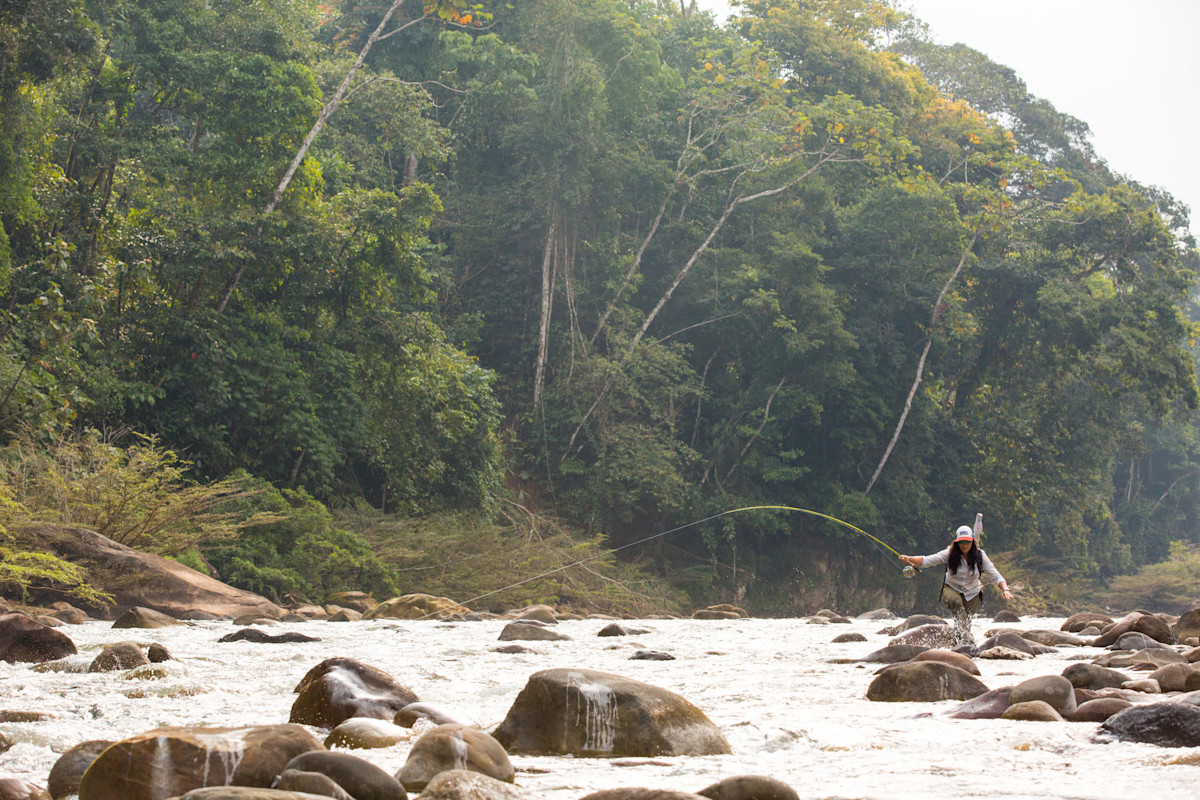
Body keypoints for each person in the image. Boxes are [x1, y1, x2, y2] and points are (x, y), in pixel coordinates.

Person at [898, 525, 1013, 632]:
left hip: (972, 593)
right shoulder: (949, 553)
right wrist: (909, 558)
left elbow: (995, 575)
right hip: (951, 589)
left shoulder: (980, 556)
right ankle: (960, 639)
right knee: (956, 602)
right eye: (961, 542)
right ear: (957, 542)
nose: (964, 545)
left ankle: (961, 642)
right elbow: (927, 560)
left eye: (967, 541)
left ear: (972, 541)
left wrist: (1005, 589)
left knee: (965, 624)